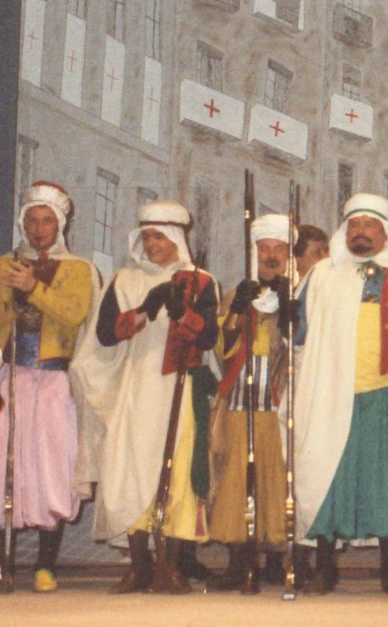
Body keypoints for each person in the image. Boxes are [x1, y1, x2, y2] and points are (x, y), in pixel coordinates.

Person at [73, 200, 220, 594]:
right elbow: (105, 334)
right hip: (135, 387)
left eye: (159, 236)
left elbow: (207, 337)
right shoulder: (124, 280)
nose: (152, 243)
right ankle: (139, 566)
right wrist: (145, 309)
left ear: (176, 238)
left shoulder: (201, 281)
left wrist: (182, 313)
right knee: (130, 471)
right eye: (147, 236)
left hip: (179, 389)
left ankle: (170, 566)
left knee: (177, 475)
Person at [293, 193, 388, 595]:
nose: (360, 232)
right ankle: (325, 567)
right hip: (332, 391)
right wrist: (286, 314)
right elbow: (300, 334)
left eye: (369, 225)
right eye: (354, 225)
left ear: (385, 231)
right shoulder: (322, 276)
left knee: (387, 481)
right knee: (330, 476)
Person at [0, 182, 98, 593]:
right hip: (11, 377)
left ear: (59, 224)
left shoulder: (78, 269)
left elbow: (74, 313)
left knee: (52, 468)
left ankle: (45, 564)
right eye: (32, 221)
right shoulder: (5, 265)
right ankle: (4, 563)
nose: (38, 229)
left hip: (55, 380)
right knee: (6, 465)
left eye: (46, 221)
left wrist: (33, 288)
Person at [208, 214, 295, 593]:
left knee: (276, 477)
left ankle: (277, 560)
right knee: (235, 479)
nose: (271, 255)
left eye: (279, 249)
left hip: (280, 399)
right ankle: (238, 561)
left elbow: (304, 347)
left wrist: (291, 311)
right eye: (264, 249)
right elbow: (221, 350)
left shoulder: (299, 293)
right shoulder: (237, 294)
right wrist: (237, 313)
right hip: (239, 399)